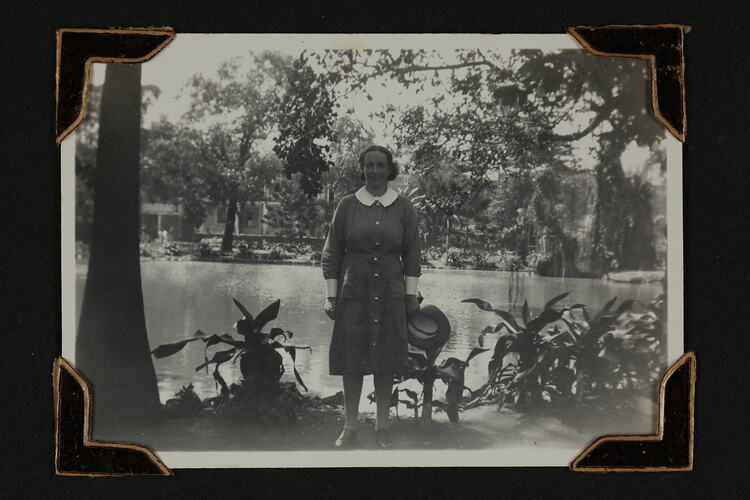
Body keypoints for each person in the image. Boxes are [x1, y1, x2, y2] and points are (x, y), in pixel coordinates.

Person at [321, 145, 421, 449]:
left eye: (381, 165)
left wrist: (410, 296)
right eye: (370, 165)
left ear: (389, 169)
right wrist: (331, 296)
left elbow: (413, 254)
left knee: (386, 358)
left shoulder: (404, 207)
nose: (375, 171)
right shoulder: (347, 206)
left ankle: (382, 426)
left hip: (390, 289)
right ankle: (350, 426)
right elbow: (332, 253)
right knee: (352, 357)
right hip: (355, 290)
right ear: (362, 169)